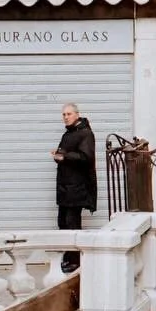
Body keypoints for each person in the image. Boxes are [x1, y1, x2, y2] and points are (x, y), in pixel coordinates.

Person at [52, 101, 97, 274]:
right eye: (63, 114)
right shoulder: (68, 134)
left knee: (72, 224)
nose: (65, 117)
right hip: (65, 187)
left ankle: (75, 260)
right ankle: (68, 257)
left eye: (68, 114)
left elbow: (86, 157)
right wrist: (58, 156)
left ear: (77, 114)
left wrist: (65, 157)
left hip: (76, 187)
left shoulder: (85, 134)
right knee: (62, 222)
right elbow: (65, 154)